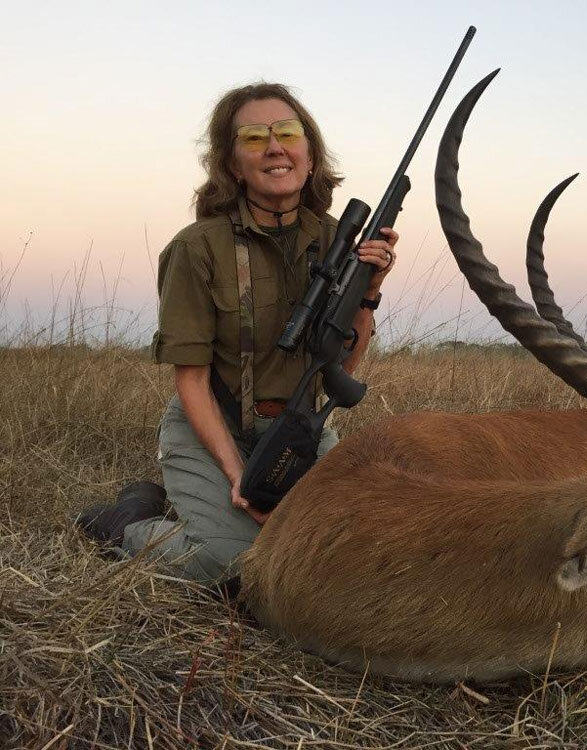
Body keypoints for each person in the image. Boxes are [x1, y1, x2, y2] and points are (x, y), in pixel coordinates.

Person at [76, 83, 398, 587]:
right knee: (233, 566)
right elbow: (192, 382)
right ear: (231, 165)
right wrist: (238, 478)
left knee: (351, 556)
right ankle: (128, 522)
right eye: (253, 137)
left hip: (298, 430)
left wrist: (369, 291)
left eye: (287, 133)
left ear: (309, 155)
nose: (274, 147)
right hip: (212, 427)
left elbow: (340, 369)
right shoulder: (196, 248)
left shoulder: (339, 240)